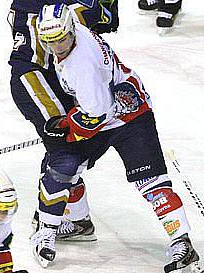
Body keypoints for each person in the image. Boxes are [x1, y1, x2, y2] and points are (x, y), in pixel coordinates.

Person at [29, 3, 202, 273]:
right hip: (114, 104)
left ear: (71, 30)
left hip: (129, 116)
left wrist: (67, 129)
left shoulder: (80, 65)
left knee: (152, 183)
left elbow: (94, 116)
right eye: (50, 42)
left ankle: (182, 245)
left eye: (61, 39)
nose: (58, 47)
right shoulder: (75, 35)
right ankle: (54, 230)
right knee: (61, 166)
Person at [8, 0, 120, 246]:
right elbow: (108, 19)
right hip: (35, 75)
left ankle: (74, 218)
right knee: (65, 150)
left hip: (61, 73)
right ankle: (64, 218)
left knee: (72, 149)